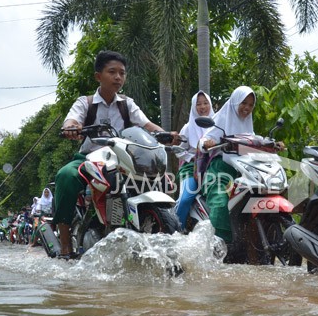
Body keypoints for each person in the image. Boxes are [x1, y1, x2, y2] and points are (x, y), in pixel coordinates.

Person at [54, 50, 173, 259]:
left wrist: (166, 134)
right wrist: (71, 127)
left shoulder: (127, 104)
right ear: (98, 76)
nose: (118, 77)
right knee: (66, 176)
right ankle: (65, 244)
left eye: (122, 73)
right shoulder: (86, 102)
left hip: (122, 158)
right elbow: (71, 120)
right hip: (90, 158)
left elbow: (146, 124)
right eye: (112, 72)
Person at [199, 86, 256, 244]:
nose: (247, 108)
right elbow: (204, 139)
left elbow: (255, 140)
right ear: (235, 101)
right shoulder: (221, 120)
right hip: (220, 171)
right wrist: (207, 143)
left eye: (251, 105)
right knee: (221, 202)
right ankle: (219, 244)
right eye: (244, 103)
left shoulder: (248, 124)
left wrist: (272, 144)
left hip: (243, 172)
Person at [174, 91, 214, 230]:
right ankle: (175, 231)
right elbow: (178, 150)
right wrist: (193, 157)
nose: (202, 107)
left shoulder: (218, 125)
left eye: (205, 103)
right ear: (193, 107)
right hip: (191, 169)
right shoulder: (188, 127)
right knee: (185, 199)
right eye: (198, 104)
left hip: (213, 168)